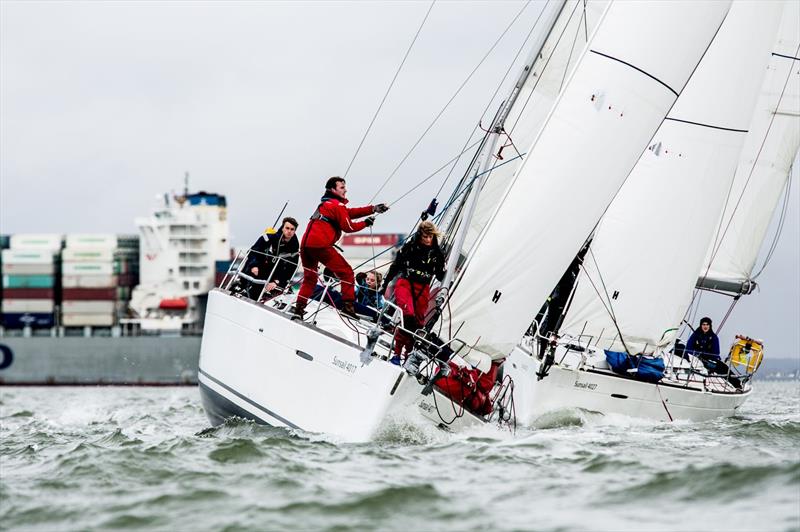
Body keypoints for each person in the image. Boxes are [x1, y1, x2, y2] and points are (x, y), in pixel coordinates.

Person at [293, 176, 388, 319]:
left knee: (310, 279)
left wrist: (373, 209)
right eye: (342, 188)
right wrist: (365, 223)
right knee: (347, 273)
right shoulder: (337, 205)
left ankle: (298, 310)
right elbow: (348, 227)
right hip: (320, 245)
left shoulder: (327, 204)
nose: (346, 190)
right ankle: (348, 308)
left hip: (306, 245)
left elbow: (349, 213)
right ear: (333, 189)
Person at [381, 221, 445, 360]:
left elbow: (440, 275)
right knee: (407, 315)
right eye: (425, 237)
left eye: (431, 236)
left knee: (418, 323)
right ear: (419, 235)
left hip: (423, 288)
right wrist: (384, 284)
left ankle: (408, 354)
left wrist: (445, 273)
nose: (428, 240)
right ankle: (397, 353)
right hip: (406, 283)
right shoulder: (410, 247)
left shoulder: (437, 253)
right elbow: (396, 266)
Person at [240, 217, 299, 300]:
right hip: (257, 271)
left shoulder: (294, 250)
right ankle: (241, 288)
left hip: (274, 279)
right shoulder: (268, 238)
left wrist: (277, 281)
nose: (289, 231)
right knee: (251, 285)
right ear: (282, 228)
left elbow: (291, 269)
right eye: (287, 228)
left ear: (294, 231)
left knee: (284, 292)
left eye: (292, 229)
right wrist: (254, 265)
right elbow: (253, 251)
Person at [686, 317, 741, 389]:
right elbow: (688, 348)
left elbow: (716, 353)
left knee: (724, 368)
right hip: (696, 357)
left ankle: (738, 384)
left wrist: (706, 355)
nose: (705, 326)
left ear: (710, 326)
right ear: (700, 325)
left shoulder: (714, 337)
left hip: (709, 360)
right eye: (703, 324)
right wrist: (696, 353)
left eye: (707, 324)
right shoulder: (695, 335)